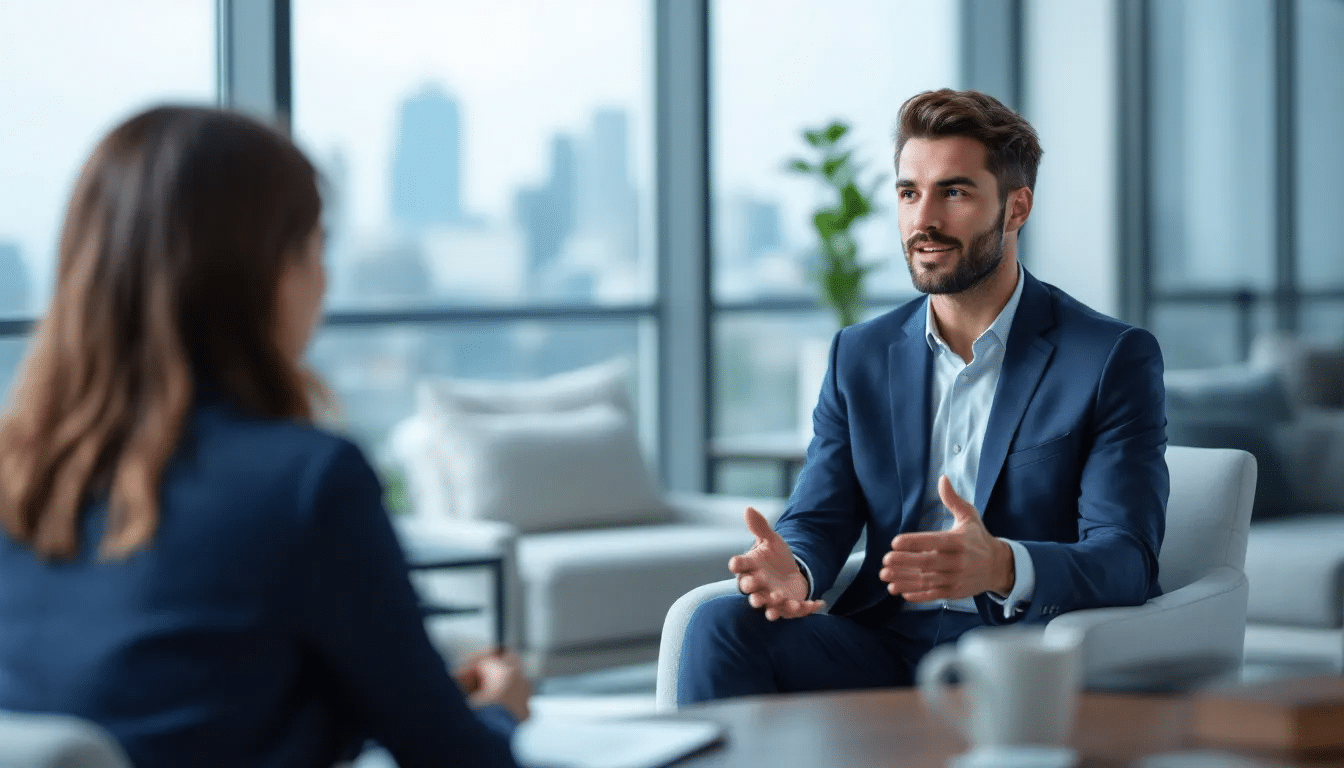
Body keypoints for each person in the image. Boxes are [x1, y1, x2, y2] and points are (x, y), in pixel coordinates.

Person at [0, 106, 529, 768]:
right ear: (266, 274)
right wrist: (496, 715)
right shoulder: (305, 484)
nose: (324, 280)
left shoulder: (19, 476)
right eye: (313, 248)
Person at [678, 89, 1169, 704]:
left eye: (954, 192)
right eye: (909, 192)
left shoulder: (1108, 358)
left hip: (1016, 651)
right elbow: (821, 517)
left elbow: (1128, 560)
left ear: (1016, 209)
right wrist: (795, 568)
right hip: (881, 644)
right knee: (719, 626)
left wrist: (1002, 565)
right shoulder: (858, 355)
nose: (923, 220)